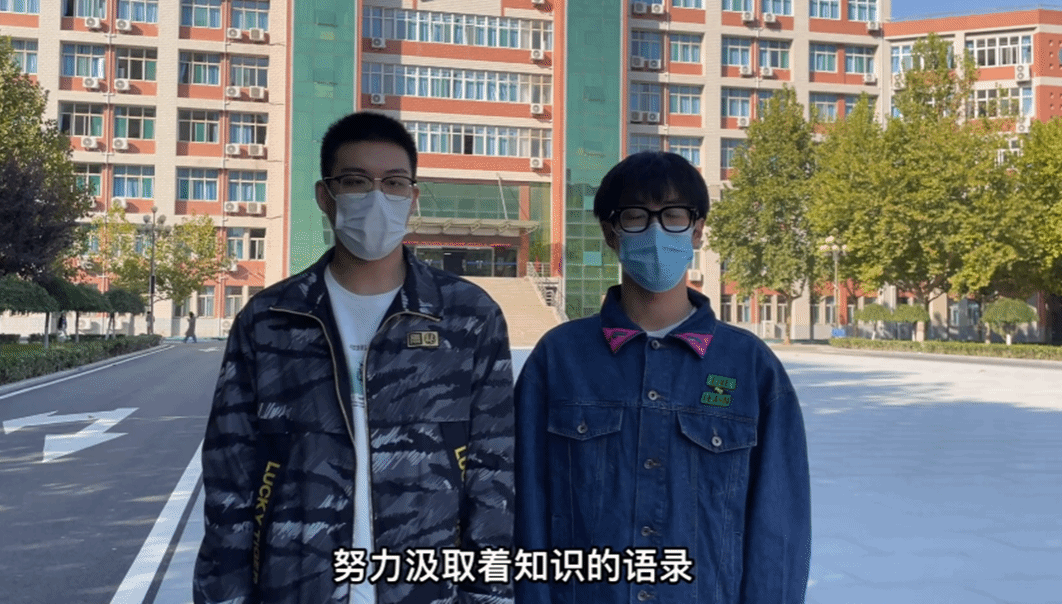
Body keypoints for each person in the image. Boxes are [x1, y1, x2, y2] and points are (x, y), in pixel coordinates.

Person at [195, 111, 515, 604]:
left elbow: (493, 476)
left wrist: (489, 596)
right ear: (326, 196)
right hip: (296, 588)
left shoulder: (467, 317)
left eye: (394, 183)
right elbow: (230, 481)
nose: (377, 197)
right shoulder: (271, 320)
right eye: (356, 181)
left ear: (412, 198)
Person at [515, 151, 811, 604]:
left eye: (673, 216)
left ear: (697, 230)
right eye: (636, 217)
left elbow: (779, 529)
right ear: (610, 233)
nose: (656, 232)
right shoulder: (560, 359)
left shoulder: (750, 366)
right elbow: (524, 508)